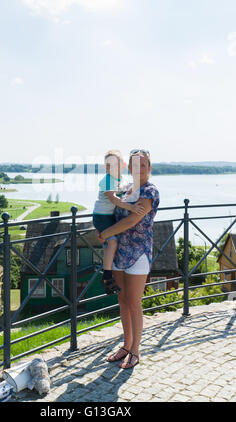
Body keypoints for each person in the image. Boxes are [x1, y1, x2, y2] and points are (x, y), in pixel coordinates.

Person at [96, 149, 160, 369]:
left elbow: (132, 220)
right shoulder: (125, 189)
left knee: (134, 303)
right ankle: (126, 344)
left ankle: (135, 350)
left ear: (149, 168)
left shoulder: (149, 191)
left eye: (142, 165)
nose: (138, 169)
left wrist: (105, 233)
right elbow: (111, 210)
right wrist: (103, 229)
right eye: (133, 165)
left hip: (138, 253)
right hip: (119, 252)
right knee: (122, 300)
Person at [93, 150, 145, 295]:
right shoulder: (107, 180)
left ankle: (109, 275)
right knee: (112, 242)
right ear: (105, 167)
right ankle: (107, 276)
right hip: (102, 216)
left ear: (122, 165)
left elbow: (128, 192)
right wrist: (132, 208)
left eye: (115, 164)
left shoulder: (122, 180)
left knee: (109, 243)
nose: (112, 167)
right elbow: (114, 199)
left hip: (111, 216)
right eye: (109, 165)